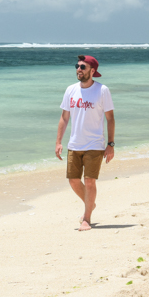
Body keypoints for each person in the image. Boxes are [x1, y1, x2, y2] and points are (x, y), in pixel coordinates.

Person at [55, 55, 115, 231]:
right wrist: (58, 141)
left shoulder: (102, 90)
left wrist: (110, 144)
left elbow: (110, 119)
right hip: (75, 144)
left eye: (83, 67)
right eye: (77, 66)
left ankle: (86, 218)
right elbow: (64, 118)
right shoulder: (70, 90)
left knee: (89, 182)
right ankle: (91, 204)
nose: (78, 69)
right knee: (73, 181)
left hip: (95, 144)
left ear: (92, 71)